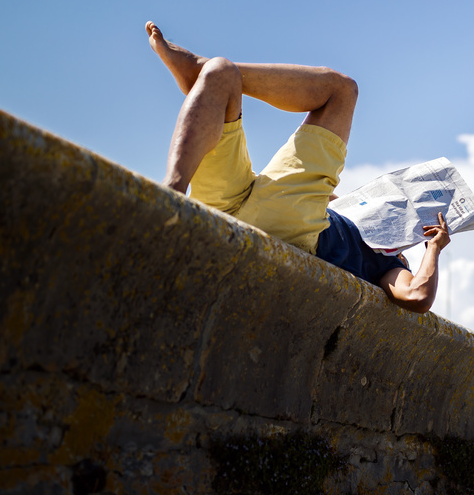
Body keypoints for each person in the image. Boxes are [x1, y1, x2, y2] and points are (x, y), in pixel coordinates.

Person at [146, 22, 449, 313]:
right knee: (221, 72)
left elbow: (417, 296)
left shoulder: (391, 264)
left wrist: (433, 248)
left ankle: (200, 67)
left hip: (292, 224)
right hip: (242, 197)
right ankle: (172, 193)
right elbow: (317, 198)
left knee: (342, 90)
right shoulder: (348, 212)